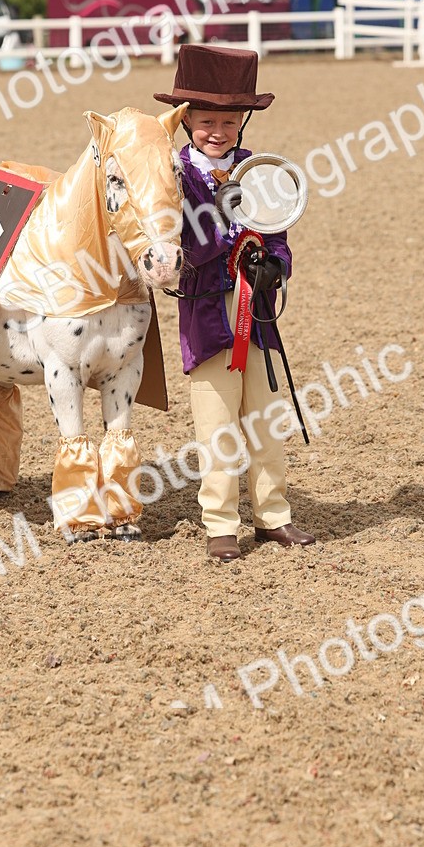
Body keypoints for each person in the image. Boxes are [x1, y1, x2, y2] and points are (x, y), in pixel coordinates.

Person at [154, 45, 315, 562]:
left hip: (258, 316)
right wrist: (219, 238)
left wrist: (275, 266)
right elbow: (178, 248)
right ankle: (220, 523)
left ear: (242, 122)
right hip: (205, 315)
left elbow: (279, 238)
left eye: (227, 120)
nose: (216, 131)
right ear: (188, 123)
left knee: (266, 421)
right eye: (205, 121)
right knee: (217, 424)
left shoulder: (258, 171)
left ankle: (274, 517)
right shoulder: (172, 177)